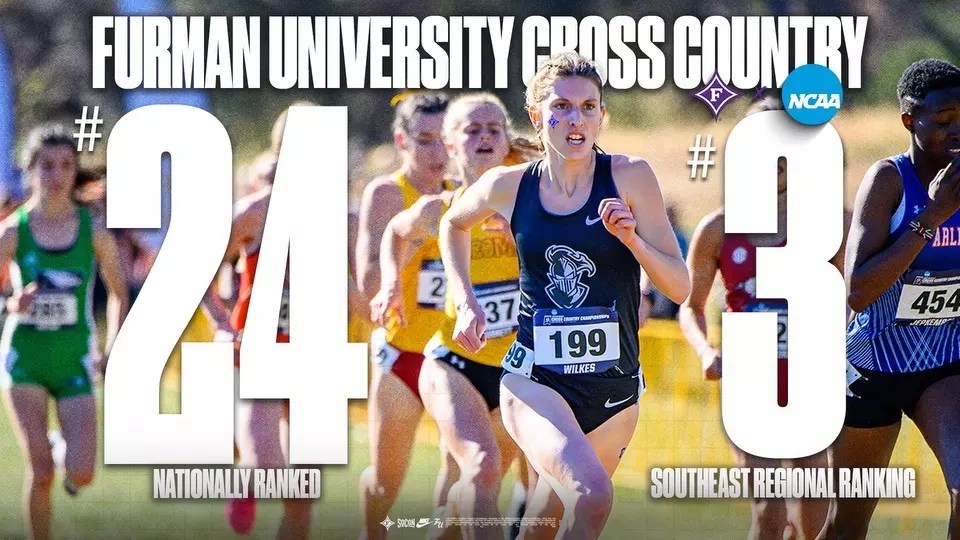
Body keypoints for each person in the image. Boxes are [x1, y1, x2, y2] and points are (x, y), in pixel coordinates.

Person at [440, 52, 689, 539]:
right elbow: (453, 223)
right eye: (562, 106)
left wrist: (633, 241)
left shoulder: (631, 176)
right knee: (592, 497)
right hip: (536, 380)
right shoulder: (508, 186)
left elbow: (679, 286)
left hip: (615, 387)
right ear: (537, 117)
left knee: (546, 521)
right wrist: (465, 298)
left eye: (588, 107)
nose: (577, 119)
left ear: (602, 116)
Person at [680, 97, 848, 540]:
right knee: (769, 510)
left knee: (814, 514)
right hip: (749, 381)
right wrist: (705, 351)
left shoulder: (830, 222)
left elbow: (853, 299)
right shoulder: (718, 228)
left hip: (809, 381)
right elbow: (689, 305)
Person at [371, 93, 536, 539]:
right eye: (471, 130)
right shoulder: (439, 209)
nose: (484, 137)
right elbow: (394, 233)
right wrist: (391, 283)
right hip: (453, 362)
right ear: (450, 145)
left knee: (465, 501)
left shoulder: (535, 205)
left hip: (516, 368)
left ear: (506, 142)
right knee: (482, 469)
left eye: (494, 130)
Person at [820, 59, 960, 539]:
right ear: (909, 120)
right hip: (872, 367)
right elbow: (859, 290)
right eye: (943, 120)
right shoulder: (889, 180)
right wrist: (933, 216)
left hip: (943, 364)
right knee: (846, 528)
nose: (957, 130)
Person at [0, 124, 129, 540]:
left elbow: (118, 293)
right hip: (25, 359)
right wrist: (10, 304)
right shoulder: (13, 232)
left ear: (75, 172)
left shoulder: (94, 232)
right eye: (47, 166)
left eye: (66, 166)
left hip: (74, 358)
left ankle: (60, 448)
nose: (56, 175)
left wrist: (111, 349)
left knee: (82, 473)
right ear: (30, 170)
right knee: (40, 473)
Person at [356, 92, 455, 540]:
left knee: (465, 483)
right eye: (426, 140)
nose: (438, 153)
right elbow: (369, 287)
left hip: (458, 360)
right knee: (385, 484)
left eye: (446, 140)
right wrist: (416, 233)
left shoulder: (466, 194)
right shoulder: (387, 194)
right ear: (402, 141)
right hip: (404, 357)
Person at [202, 149, 314, 539]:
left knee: (301, 493)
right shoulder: (253, 216)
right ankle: (247, 478)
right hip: (257, 352)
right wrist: (220, 322)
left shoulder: (335, 218)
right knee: (267, 465)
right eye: (270, 178)